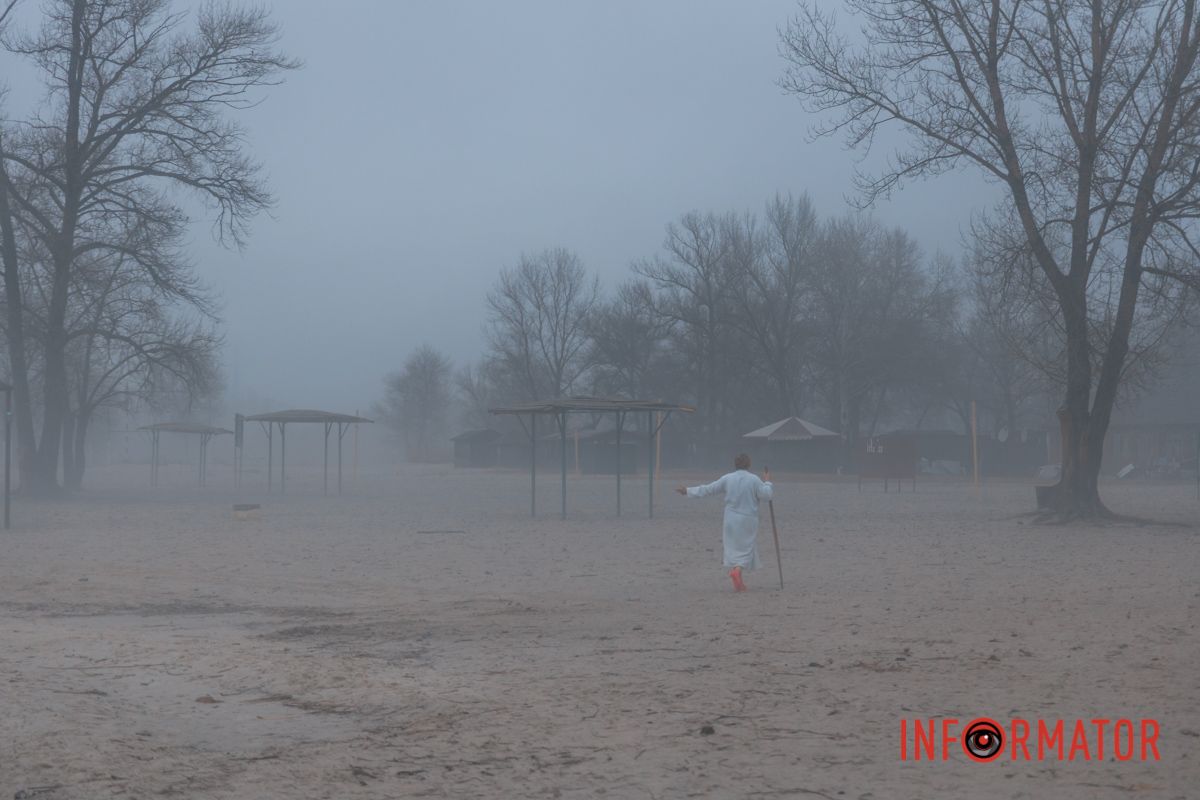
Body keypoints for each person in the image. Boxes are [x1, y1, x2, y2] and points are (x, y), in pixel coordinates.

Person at [676, 454, 773, 592]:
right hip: (747, 519)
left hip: (731, 519)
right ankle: (737, 571)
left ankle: (739, 579)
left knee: (734, 548)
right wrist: (768, 482)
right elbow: (767, 495)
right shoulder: (754, 480)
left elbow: (709, 489)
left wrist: (688, 491)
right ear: (749, 464)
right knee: (746, 548)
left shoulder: (728, 478)